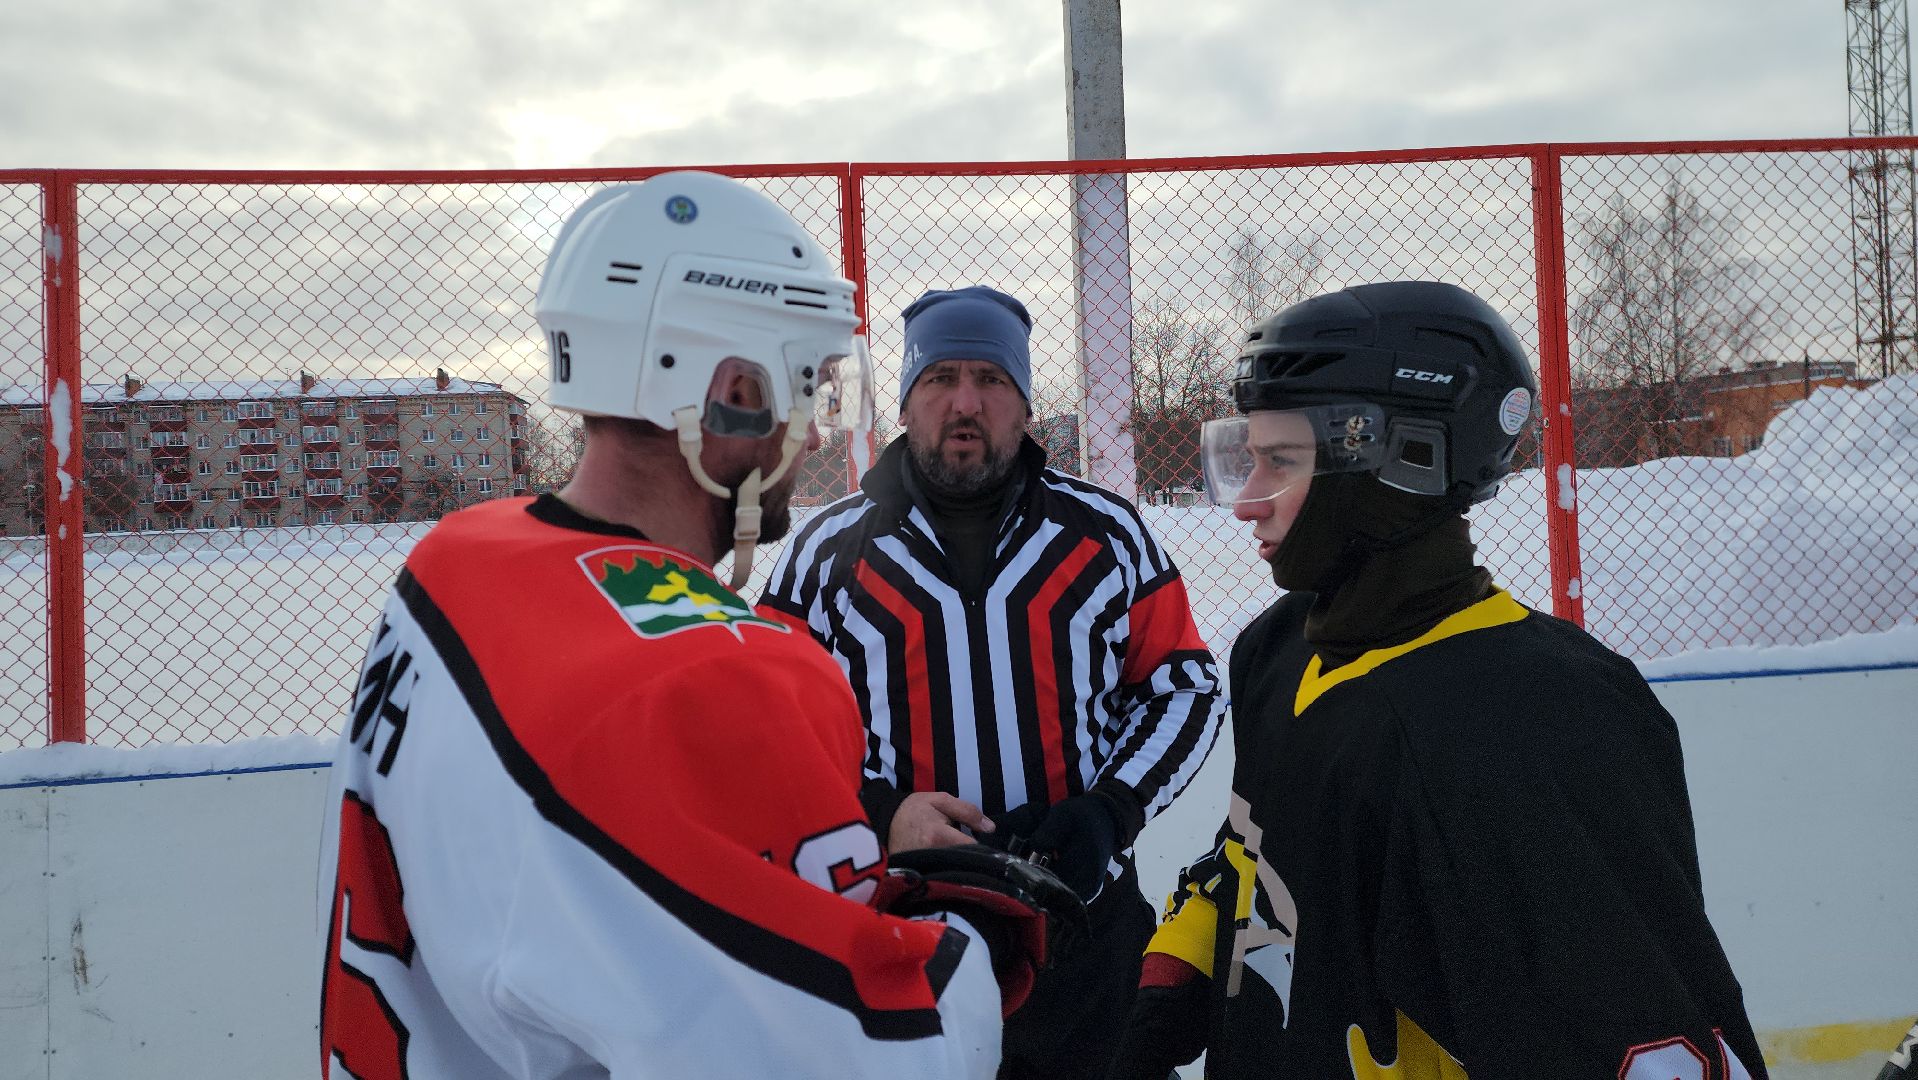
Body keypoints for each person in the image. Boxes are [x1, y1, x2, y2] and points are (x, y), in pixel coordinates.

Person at [317, 172, 1084, 1080]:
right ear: (735, 394)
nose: (809, 430)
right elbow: (858, 1053)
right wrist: (964, 938)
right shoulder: (727, 681)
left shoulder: (454, 561)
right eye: (809, 388)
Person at [1108, 281, 1768, 1080]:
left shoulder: (1537, 724)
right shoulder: (1281, 649)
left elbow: (1644, 1038)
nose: (1247, 502)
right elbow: (1257, 852)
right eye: (1246, 456)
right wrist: (1179, 977)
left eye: (1280, 462)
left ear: (1400, 465)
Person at [760, 284, 1227, 1079]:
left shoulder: (1106, 535)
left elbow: (1182, 686)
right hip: (898, 921)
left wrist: (1109, 814)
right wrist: (879, 813)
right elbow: (773, 726)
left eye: (992, 380)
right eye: (940, 379)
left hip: (1082, 925)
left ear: (1024, 405)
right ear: (907, 402)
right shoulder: (826, 552)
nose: (965, 402)